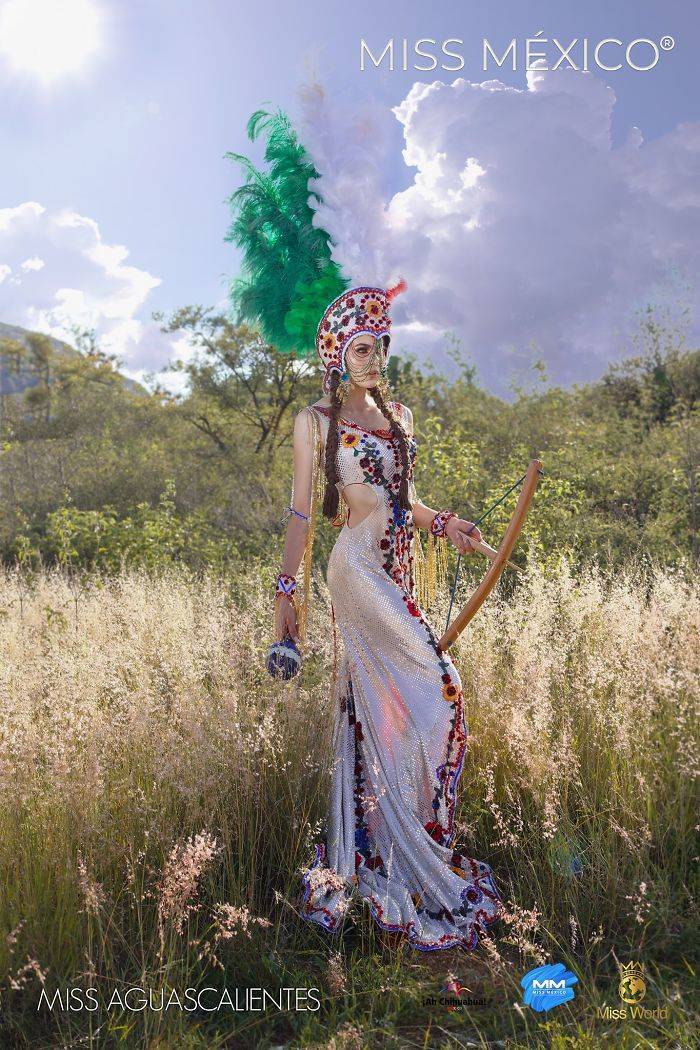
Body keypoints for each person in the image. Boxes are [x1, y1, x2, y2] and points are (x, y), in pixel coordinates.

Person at [274, 281, 504, 952]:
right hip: (355, 575)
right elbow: (300, 513)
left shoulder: (399, 415)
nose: (374, 359)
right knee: (441, 691)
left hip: (395, 571)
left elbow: (408, 502)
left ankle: (400, 849)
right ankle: (397, 852)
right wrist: (285, 594)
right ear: (339, 354)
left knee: (403, 710)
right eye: (363, 348)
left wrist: (448, 525)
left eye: (382, 346)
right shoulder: (315, 422)